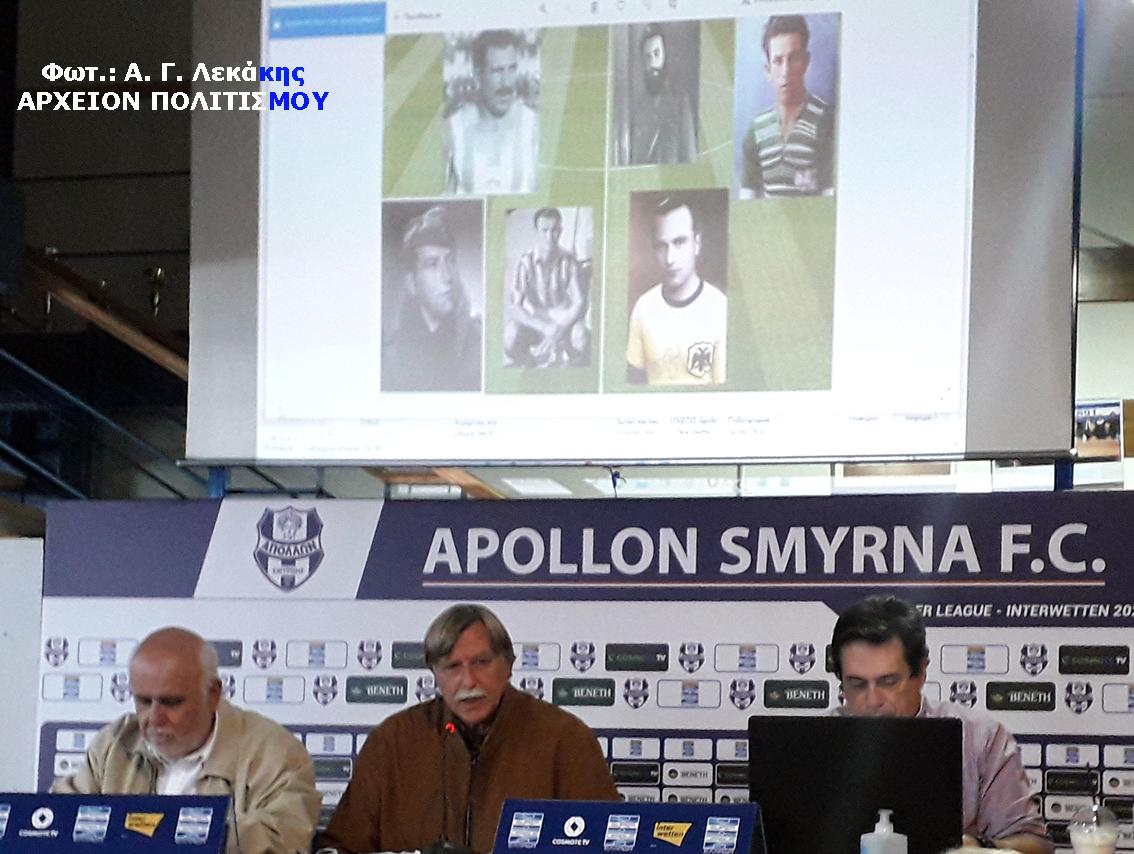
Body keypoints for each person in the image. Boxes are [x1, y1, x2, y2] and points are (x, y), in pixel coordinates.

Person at [317, 604, 618, 854]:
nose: (469, 681)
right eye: (452, 667)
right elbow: (343, 846)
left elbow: (608, 843)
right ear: (435, 674)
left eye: (481, 662)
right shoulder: (392, 741)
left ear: (508, 665)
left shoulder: (564, 738)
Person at [52, 627, 320, 854]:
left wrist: (183, 833)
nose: (154, 718)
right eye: (143, 701)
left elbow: (283, 839)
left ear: (213, 693)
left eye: (171, 702)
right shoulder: (115, 743)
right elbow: (58, 822)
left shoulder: (275, 753)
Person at [829, 596, 1053, 854]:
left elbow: (1037, 846)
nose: (872, 701)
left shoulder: (980, 738)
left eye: (888, 682)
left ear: (921, 673)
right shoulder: (810, 743)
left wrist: (981, 848)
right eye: (857, 684)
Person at [626, 195, 727, 385]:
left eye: (679, 242)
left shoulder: (720, 307)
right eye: (661, 246)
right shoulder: (644, 307)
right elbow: (633, 384)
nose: (670, 258)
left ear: (697, 244)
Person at [382, 205, 483, 391]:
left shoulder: (478, 342)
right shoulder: (391, 354)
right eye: (432, 264)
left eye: (450, 261)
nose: (448, 276)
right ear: (412, 283)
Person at [740, 15, 835, 198]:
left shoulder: (826, 120)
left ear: (806, 62)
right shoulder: (756, 131)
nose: (785, 71)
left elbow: (830, 199)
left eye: (794, 59)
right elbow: (746, 201)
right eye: (778, 61)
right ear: (767, 70)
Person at [445, 30, 539, 195]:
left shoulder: (533, 126)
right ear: (478, 74)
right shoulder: (454, 129)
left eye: (512, 69)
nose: (506, 82)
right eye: (497, 71)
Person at [505, 207, 589, 367]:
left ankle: (573, 368)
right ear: (536, 232)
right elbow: (515, 306)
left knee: (582, 336)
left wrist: (561, 327)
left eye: (554, 230)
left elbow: (579, 302)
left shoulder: (569, 261)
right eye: (544, 231)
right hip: (537, 323)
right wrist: (543, 327)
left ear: (560, 231)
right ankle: (529, 363)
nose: (549, 237)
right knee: (510, 335)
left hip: (563, 321)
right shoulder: (526, 263)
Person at [623, 24, 698, 165]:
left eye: (656, 53)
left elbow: (690, 158)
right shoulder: (639, 107)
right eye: (647, 56)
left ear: (665, 56)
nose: (652, 63)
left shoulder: (680, 103)